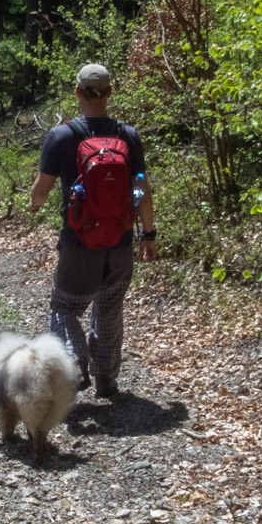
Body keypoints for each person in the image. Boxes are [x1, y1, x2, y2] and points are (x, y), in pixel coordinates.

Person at [25, 62, 156, 398]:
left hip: (79, 241)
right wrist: (148, 233)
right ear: (110, 93)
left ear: (78, 92)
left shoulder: (62, 136)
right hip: (121, 239)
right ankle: (106, 380)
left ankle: (73, 365)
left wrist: (35, 206)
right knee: (109, 307)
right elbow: (141, 188)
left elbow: (41, 191)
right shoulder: (128, 136)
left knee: (65, 307)